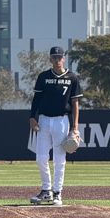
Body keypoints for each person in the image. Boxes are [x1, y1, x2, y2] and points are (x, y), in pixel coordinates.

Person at [29, 46, 82, 206]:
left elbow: (75, 103)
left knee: (59, 158)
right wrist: (32, 117)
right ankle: (46, 190)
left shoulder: (72, 78)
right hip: (44, 119)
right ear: (50, 59)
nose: (57, 60)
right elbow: (36, 99)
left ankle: (57, 192)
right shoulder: (43, 77)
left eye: (60, 57)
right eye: (54, 57)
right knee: (41, 157)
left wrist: (75, 127)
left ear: (63, 59)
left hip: (62, 120)